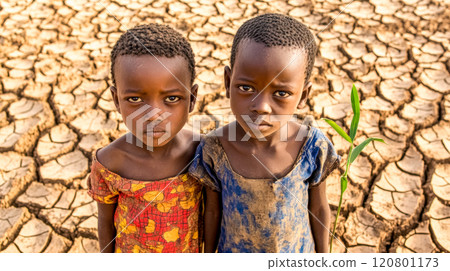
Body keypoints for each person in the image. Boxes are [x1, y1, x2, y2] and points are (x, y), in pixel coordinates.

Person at [190, 14, 340, 253]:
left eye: (281, 93)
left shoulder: (312, 148)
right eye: (246, 88)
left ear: (303, 96)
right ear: (228, 82)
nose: (261, 106)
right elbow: (213, 210)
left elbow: (320, 209)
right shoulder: (215, 150)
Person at [87, 24, 202, 253]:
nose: (153, 115)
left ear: (192, 98)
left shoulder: (201, 152)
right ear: (116, 99)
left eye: (171, 98)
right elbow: (106, 224)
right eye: (135, 99)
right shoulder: (110, 163)